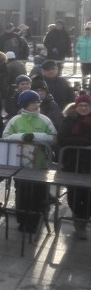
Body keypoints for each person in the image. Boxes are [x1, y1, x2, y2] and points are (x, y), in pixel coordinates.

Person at [3, 90, 57, 233]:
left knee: (38, 192)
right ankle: (22, 219)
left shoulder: (45, 120)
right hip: (20, 164)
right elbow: (6, 137)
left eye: (37, 102)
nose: (36, 104)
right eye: (33, 102)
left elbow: (53, 137)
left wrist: (35, 136)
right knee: (22, 191)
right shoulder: (15, 120)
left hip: (39, 164)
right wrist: (22, 136)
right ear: (24, 104)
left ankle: (35, 220)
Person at [58, 94, 91, 239]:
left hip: (89, 163)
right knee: (74, 193)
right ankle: (78, 217)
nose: (83, 108)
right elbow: (63, 139)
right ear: (76, 107)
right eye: (81, 106)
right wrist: (84, 141)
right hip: (72, 161)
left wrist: (77, 140)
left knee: (88, 193)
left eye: (86, 106)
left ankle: (83, 221)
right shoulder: (69, 119)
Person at [77, 23, 91, 88]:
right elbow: (77, 47)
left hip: (90, 59)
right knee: (83, 73)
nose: (88, 31)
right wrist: (79, 53)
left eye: (89, 29)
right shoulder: (81, 38)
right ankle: (84, 85)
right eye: (86, 29)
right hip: (83, 60)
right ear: (84, 30)